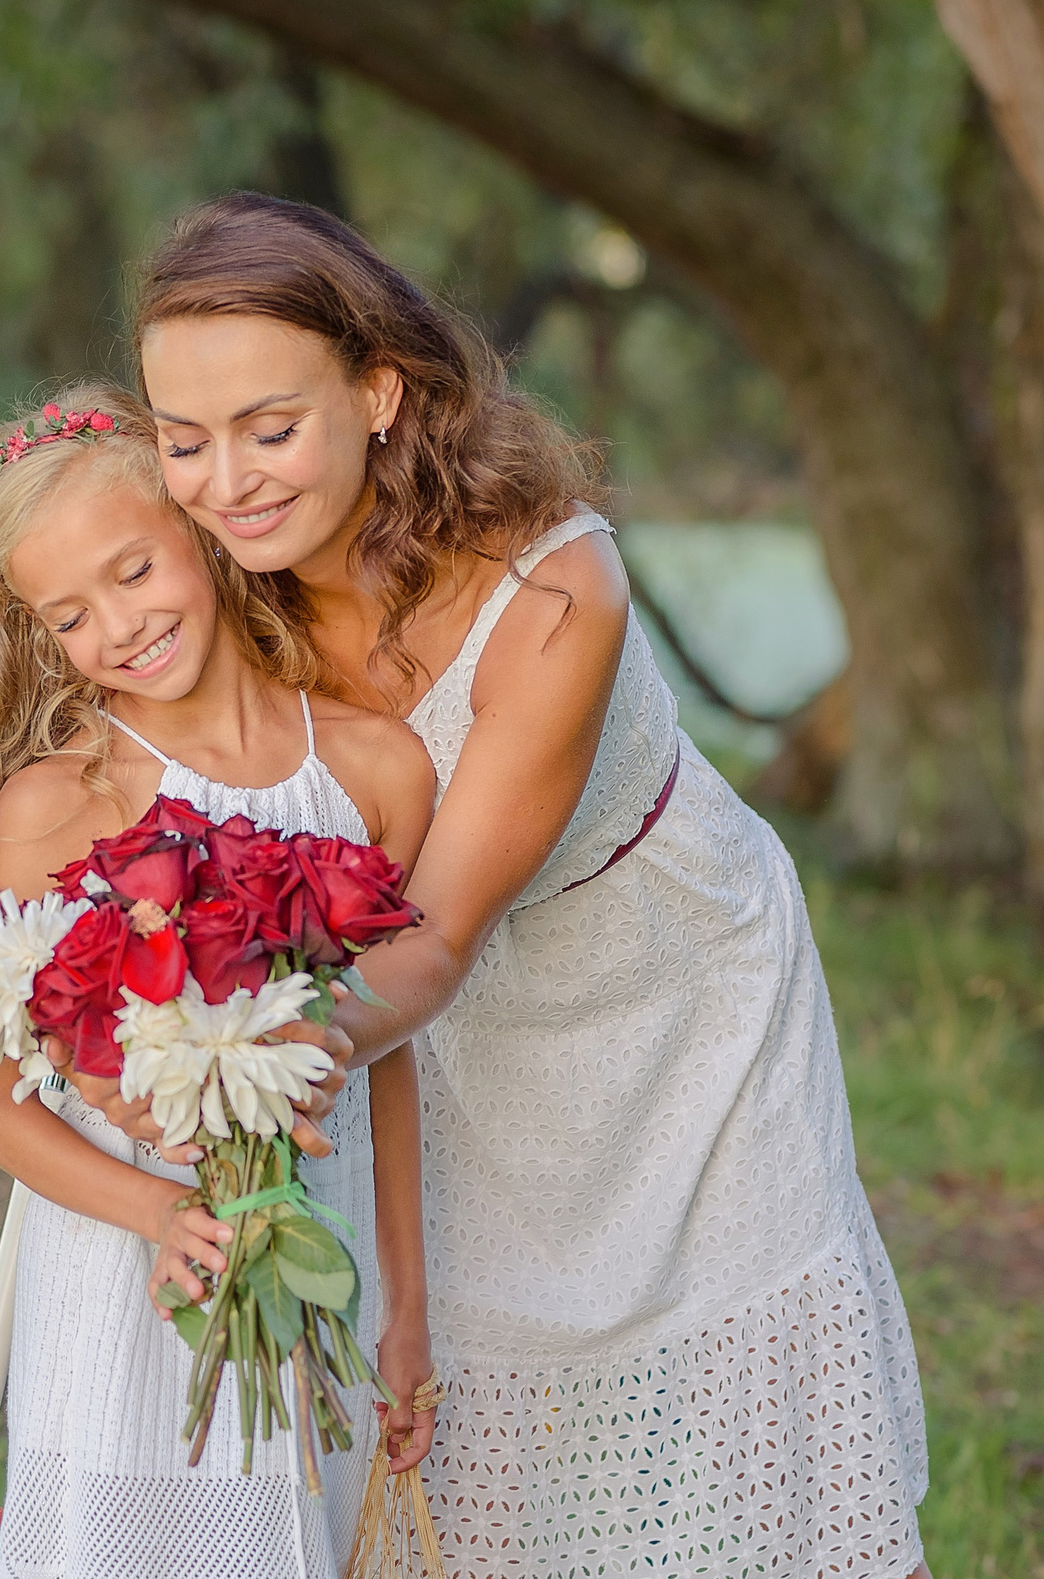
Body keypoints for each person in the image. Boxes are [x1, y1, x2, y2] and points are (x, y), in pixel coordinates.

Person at [88, 193, 934, 1579]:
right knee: (464, 1410)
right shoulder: (229, 591)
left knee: (731, 1440)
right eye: (185, 440)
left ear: (378, 392)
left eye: (268, 427)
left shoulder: (551, 595)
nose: (225, 479)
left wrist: (279, 1046)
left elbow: (431, 931)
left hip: (670, 991)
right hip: (435, 1029)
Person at [0, 387, 442, 1577]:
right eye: (68, 613)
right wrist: (158, 1209)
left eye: (133, 570)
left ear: (205, 536)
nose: (118, 624)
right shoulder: (59, 807)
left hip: (326, 1248)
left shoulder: (373, 766)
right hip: (125, 1282)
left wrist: (406, 1309)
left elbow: (398, 1048)